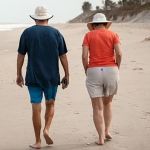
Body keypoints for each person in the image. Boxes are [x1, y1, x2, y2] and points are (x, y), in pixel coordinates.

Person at [16, 6, 69, 149]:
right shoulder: (56, 33)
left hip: (33, 76)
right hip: (52, 76)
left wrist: (18, 73)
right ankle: (46, 129)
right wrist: (67, 74)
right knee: (50, 103)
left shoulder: (27, 33)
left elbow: (21, 55)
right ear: (48, 18)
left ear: (34, 18)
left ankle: (38, 141)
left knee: (36, 107)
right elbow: (63, 55)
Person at [82, 13, 122, 145]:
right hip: (111, 69)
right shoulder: (113, 35)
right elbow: (119, 53)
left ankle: (100, 138)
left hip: (94, 70)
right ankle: (107, 131)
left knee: (97, 107)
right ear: (105, 24)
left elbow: (84, 56)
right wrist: (117, 66)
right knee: (108, 103)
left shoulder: (88, 35)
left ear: (93, 25)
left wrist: (87, 69)